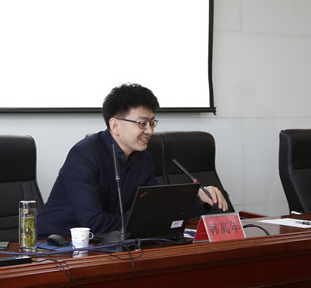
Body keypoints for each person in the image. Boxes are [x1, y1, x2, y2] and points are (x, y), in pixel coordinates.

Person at [37, 83, 227, 237]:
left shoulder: (143, 158)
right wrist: (145, 221)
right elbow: (93, 223)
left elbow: (154, 209)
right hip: (57, 242)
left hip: (105, 242)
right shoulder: (84, 155)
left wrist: (198, 198)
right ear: (115, 125)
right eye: (142, 123)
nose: (150, 131)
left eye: (152, 123)